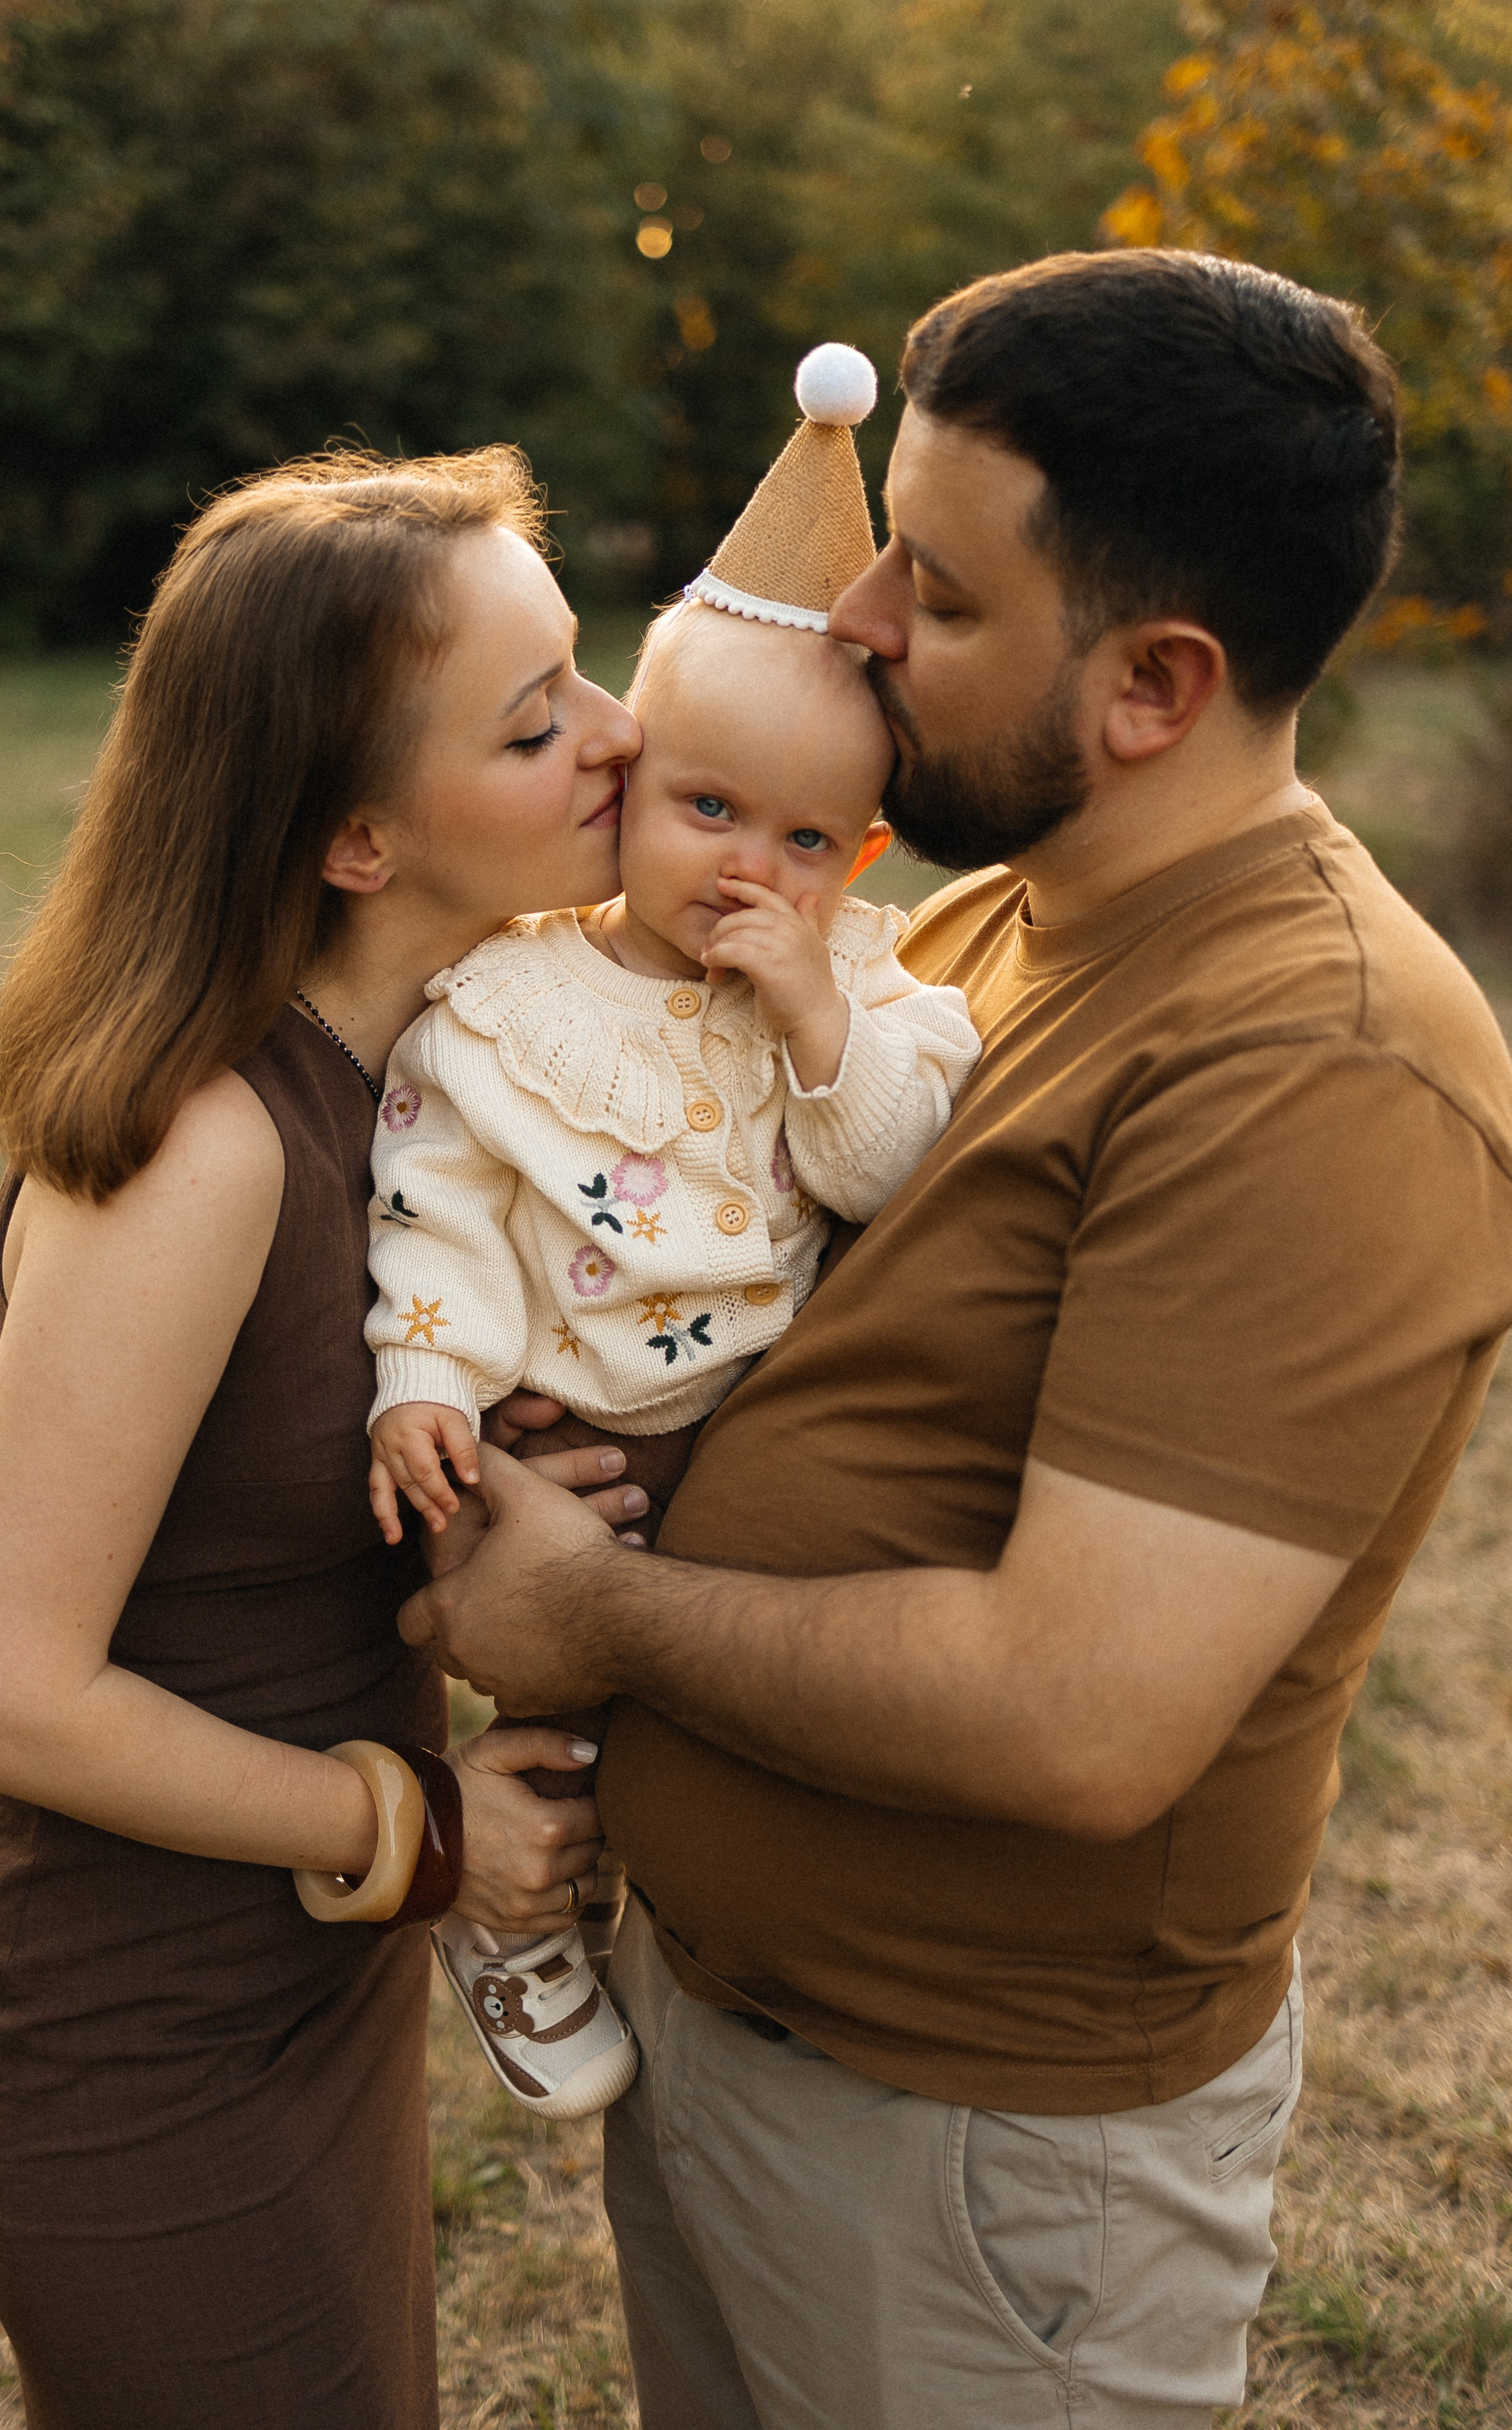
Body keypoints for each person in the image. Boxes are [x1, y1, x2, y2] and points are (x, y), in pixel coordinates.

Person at [399, 252, 1512, 2428]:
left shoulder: (1320, 1065)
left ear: (1156, 681)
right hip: (733, 2027)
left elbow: (1080, 1716)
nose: (862, 625)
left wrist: (593, 1610)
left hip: (979, 2162)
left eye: (942, 592)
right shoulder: (991, 911)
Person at [0, 444, 656, 2430]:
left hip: (304, 1983)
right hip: (128, 2012)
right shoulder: (201, 1143)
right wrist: (416, 1833)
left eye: (585, 671)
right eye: (539, 722)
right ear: (355, 839)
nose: (622, 732)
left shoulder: (434, 1073)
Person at [365, 349, 982, 2119]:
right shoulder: (513, 996)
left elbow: (887, 1173)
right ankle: (525, 1918)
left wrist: (816, 1029)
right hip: (562, 1412)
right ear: (630, 784)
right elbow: (437, 1194)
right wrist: (426, 1373)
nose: (747, 872)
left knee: (727, 1689)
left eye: (806, 839)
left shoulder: (870, 989)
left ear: (863, 852)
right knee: (559, 1712)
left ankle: (684, 1891)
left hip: (756, 1420)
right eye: (707, 809)